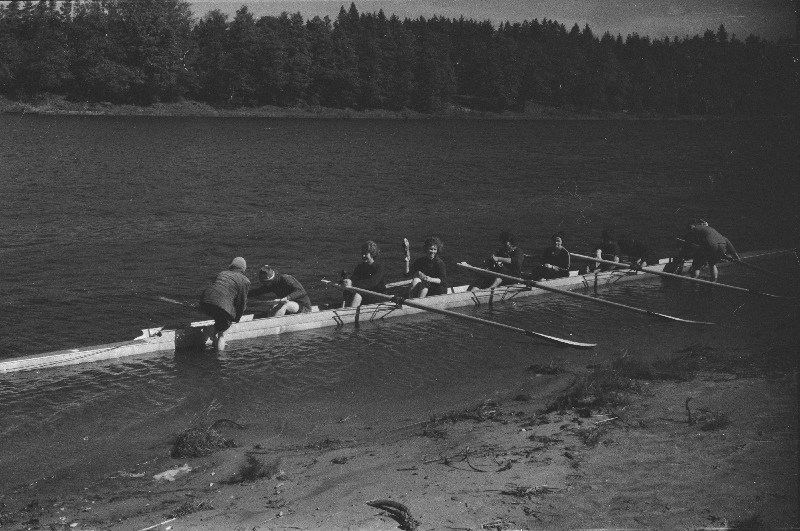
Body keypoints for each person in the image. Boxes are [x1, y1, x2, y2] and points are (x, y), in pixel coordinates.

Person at [199, 257, 250, 351]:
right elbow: (241, 302)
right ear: (243, 268)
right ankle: (220, 356)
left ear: (231, 266)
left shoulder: (222, 273)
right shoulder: (245, 280)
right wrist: (237, 318)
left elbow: (217, 288)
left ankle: (214, 341)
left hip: (205, 300)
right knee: (221, 333)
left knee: (219, 321)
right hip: (221, 305)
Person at [342, 240, 387, 307]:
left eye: (365, 254)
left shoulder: (378, 267)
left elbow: (372, 282)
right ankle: (345, 309)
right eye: (362, 253)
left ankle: (349, 312)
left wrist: (352, 283)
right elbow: (353, 279)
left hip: (378, 297)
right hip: (366, 295)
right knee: (349, 293)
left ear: (372, 254)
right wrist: (345, 282)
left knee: (357, 295)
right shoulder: (360, 267)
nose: (363, 256)